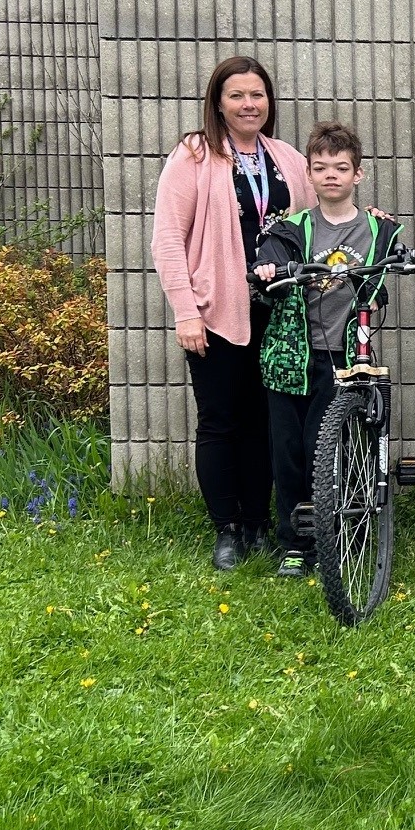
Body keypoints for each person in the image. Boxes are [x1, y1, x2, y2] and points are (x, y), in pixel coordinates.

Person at [150, 54, 314, 570]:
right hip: (216, 311)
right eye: (237, 95)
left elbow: (318, 217)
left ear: (270, 101)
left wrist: (366, 215)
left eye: (258, 94)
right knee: (221, 421)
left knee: (267, 422)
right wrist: (185, 312)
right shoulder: (195, 155)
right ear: (218, 102)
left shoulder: (286, 157)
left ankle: (259, 523)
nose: (249, 104)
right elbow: (167, 240)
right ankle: (228, 529)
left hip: (279, 312)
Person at [252, 121, 402, 577]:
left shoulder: (380, 230)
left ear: (359, 174)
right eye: (321, 168)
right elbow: (267, 263)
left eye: (341, 167)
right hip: (292, 356)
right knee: (291, 452)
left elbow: (388, 268)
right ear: (308, 175)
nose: (331, 175)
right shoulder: (290, 228)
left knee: (340, 447)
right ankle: (296, 544)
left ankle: (343, 535)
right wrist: (266, 271)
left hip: (347, 355)